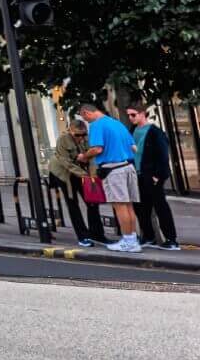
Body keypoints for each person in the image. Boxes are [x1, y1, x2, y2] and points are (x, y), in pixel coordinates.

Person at [78, 99, 141, 252]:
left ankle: (128, 242)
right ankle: (133, 239)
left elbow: (97, 149)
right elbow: (134, 148)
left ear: (87, 113)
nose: (86, 122)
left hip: (113, 169)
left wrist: (84, 157)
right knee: (129, 206)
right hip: (128, 167)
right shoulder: (117, 123)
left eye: (84, 118)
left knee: (120, 206)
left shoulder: (97, 125)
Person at [124, 103, 182, 251]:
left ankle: (171, 240)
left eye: (133, 115)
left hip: (152, 175)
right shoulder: (133, 130)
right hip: (137, 174)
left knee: (160, 206)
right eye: (129, 115)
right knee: (141, 208)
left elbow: (163, 155)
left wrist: (158, 175)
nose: (130, 118)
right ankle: (148, 236)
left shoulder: (155, 132)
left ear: (143, 114)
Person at [45, 118, 107, 247]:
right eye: (78, 135)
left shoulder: (87, 138)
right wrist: (86, 176)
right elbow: (66, 163)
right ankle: (83, 236)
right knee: (73, 204)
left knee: (92, 202)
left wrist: (92, 177)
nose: (81, 137)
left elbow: (91, 159)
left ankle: (97, 235)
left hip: (80, 172)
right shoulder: (63, 140)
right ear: (70, 131)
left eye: (83, 134)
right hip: (63, 173)